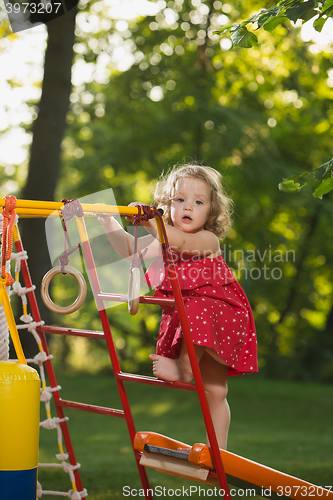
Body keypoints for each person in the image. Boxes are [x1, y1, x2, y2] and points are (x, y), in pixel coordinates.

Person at [99, 163, 258, 450]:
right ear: (167, 205)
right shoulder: (163, 239)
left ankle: (185, 369)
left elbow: (181, 241)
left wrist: (150, 221)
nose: (188, 207)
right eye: (180, 200)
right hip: (197, 324)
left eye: (198, 202)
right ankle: (219, 453)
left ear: (210, 211)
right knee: (215, 390)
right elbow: (130, 249)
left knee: (198, 308)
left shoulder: (207, 239)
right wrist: (109, 223)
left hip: (223, 315)